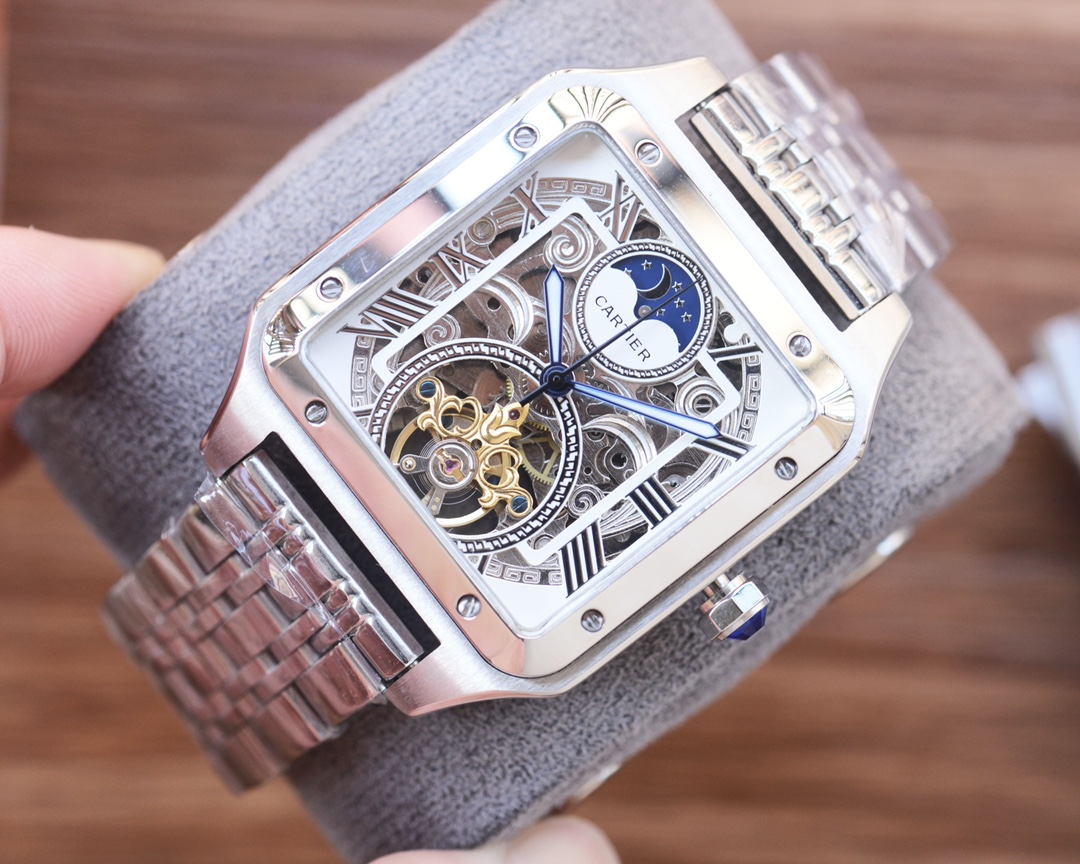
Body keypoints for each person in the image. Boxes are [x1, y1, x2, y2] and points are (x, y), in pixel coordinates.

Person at [0, 225, 621, 864]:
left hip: (429, 565)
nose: (516, 411)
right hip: (330, 448)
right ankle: (181, 652)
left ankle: (228, 700)